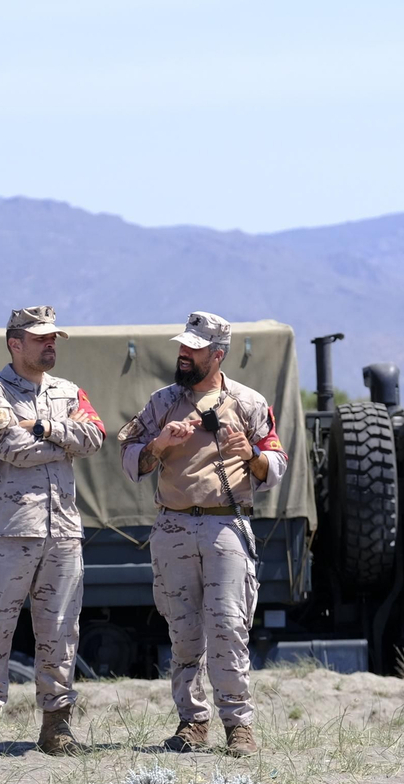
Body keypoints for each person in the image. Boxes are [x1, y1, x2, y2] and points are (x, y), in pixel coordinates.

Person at [118, 311, 287, 757]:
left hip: (225, 524)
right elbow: (127, 453)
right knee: (183, 630)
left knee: (229, 627)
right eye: (182, 347)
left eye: (193, 348)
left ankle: (238, 727)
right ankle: (192, 723)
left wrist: (248, 453)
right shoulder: (161, 403)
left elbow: (276, 464)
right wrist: (158, 446)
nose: (183, 354)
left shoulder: (248, 402)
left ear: (217, 354)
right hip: (173, 525)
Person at [0, 306, 106, 757]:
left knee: (62, 631)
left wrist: (44, 425)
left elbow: (97, 436)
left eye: (54, 339)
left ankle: (56, 728)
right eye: (42, 338)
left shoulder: (68, 390)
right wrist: (66, 441)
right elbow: (10, 448)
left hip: (62, 529)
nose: (51, 345)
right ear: (15, 344)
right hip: (8, 530)